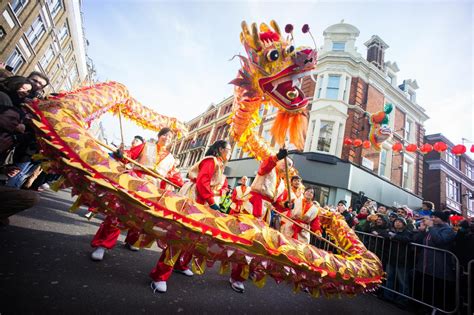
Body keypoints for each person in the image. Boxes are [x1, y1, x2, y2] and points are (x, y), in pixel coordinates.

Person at [150, 140, 230, 294]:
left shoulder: (219, 164)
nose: (229, 152)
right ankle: (159, 276)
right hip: (195, 200)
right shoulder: (211, 160)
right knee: (180, 237)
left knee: (193, 238)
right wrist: (212, 202)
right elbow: (202, 182)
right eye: (228, 149)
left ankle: (180, 264)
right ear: (220, 149)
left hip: (202, 203)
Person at [90, 128, 183, 260]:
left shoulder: (171, 159)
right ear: (159, 135)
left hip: (152, 190)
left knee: (141, 218)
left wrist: (180, 182)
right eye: (165, 135)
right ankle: (102, 245)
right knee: (119, 213)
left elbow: (174, 176)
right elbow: (129, 155)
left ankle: (132, 240)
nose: (167, 138)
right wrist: (121, 154)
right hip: (135, 183)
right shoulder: (146, 146)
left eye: (170, 137)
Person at [229, 148, 293, 293]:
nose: (286, 165)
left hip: (266, 212)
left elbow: (278, 203)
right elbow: (265, 166)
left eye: (289, 165)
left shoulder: (282, 183)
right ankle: (237, 276)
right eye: (285, 162)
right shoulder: (269, 167)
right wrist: (276, 157)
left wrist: (287, 205)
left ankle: (249, 269)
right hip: (253, 206)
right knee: (248, 242)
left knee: (259, 244)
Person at [0, 106, 39, 225]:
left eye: (18, 121)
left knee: (31, 197)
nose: (15, 123)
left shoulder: (6, 136)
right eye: (11, 118)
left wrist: (5, 169)